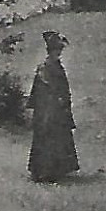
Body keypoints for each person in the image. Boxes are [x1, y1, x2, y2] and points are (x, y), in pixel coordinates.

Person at [26, 30, 80, 183]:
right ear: (51, 51)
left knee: (57, 138)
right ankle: (44, 172)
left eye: (60, 51)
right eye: (58, 50)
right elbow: (44, 90)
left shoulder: (55, 66)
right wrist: (58, 102)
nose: (59, 53)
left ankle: (56, 170)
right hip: (48, 110)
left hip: (56, 109)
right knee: (48, 138)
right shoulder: (45, 67)